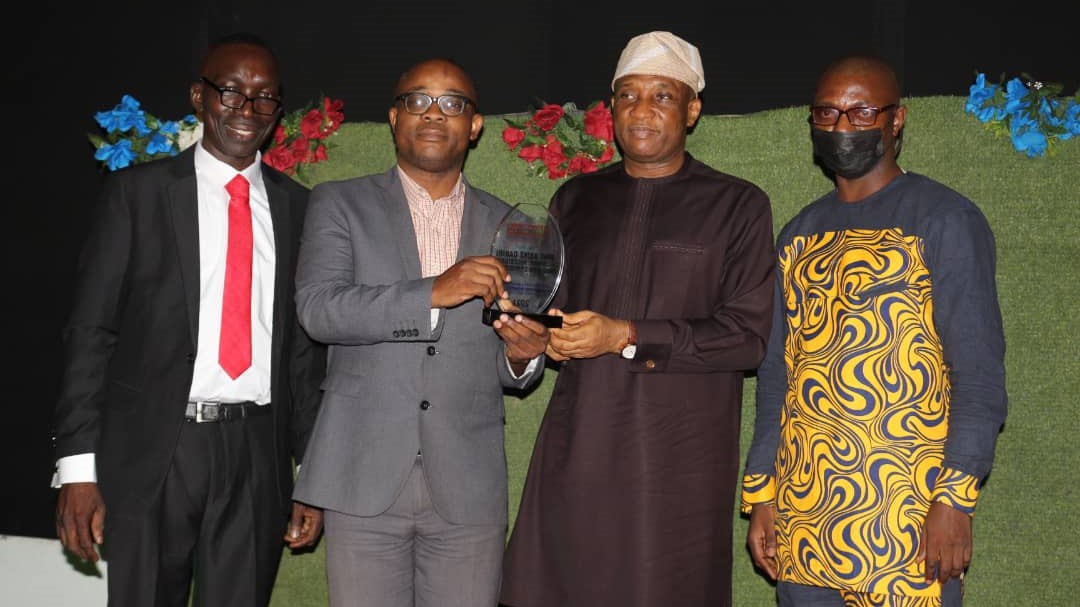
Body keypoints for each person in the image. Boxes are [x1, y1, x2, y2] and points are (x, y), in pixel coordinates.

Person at [499, 31, 776, 607]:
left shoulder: (738, 205)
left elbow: (746, 340)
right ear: (612, 108)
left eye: (662, 96)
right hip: (581, 448)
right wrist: (527, 343)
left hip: (677, 465)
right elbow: (550, 320)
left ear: (692, 109)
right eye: (628, 96)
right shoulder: (574, 200)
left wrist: (625, 334)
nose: (642, 111)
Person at [52, 32, 326, 607]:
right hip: (155, 449)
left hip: (258, 452)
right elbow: (90, 333)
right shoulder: (139, 195)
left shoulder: (300, 208)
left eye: (264, 97)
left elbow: (303, 354)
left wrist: (315, 475)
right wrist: (77, 468)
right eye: (230, 92)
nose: (247, 110)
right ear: (198, 97)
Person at [741, 55, 1008, 607]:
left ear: (897, 119)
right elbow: (776, 380)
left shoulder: (945, 219)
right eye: (827, 112)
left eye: (862, 112)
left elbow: (979, 378)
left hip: (908, 527)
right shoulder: (797, 234)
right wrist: (762, 493)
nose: (842, 127)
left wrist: (955, 501)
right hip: (804, 521)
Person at [291, 57, 549, 607]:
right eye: (418, 100)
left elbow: (516, 353)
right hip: (361, 477)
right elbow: (319, 310)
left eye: (453, 103)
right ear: (393, 116)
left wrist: (525, 357)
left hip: (469, 487)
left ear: (474, 125)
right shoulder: (339, 203)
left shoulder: (514, 226)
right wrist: (433, 291)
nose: (435, 114)